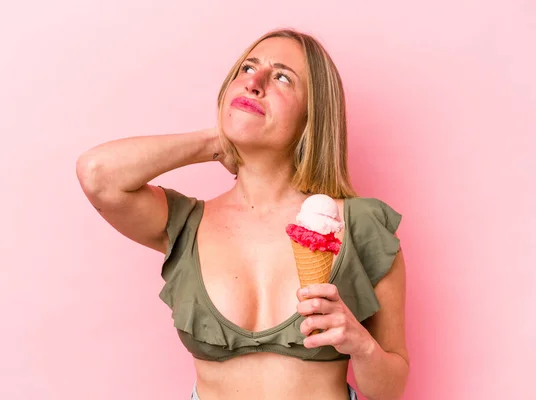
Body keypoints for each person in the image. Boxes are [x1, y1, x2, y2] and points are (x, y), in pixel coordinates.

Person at [76, 28, 409, 400]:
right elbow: (97, 174)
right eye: (247, 69)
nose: (254, 82)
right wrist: (216, 141)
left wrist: (360, 345)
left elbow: (390, 389)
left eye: (282, 77)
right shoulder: (187, 223)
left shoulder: (360, 226)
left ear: (311, 117)